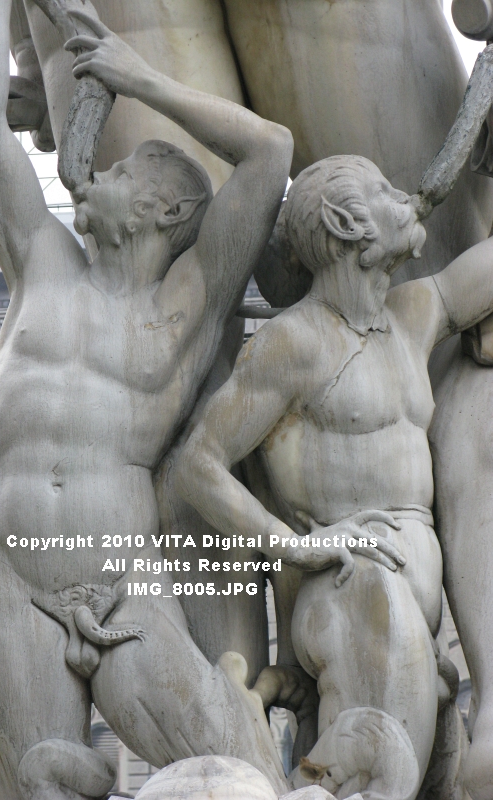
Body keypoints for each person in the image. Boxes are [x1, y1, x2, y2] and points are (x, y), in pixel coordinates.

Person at [0, 2, 298, 797]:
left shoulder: (190, 301)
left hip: (121, 583)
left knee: (236, 776)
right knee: (34, 783)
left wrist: (140, 79)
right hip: (11, 576)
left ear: (165, 211)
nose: (95, 173)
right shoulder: (40, 258)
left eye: (122, 171)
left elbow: (270, 152)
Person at [175, 154, 493, 798]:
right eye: (384, 190)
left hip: (418, 607)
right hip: (354, 592)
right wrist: (290, 544)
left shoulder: (414, 315)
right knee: (374, 781)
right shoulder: (292, 343)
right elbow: (198, 463)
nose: (405, 196)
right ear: (348, 224)